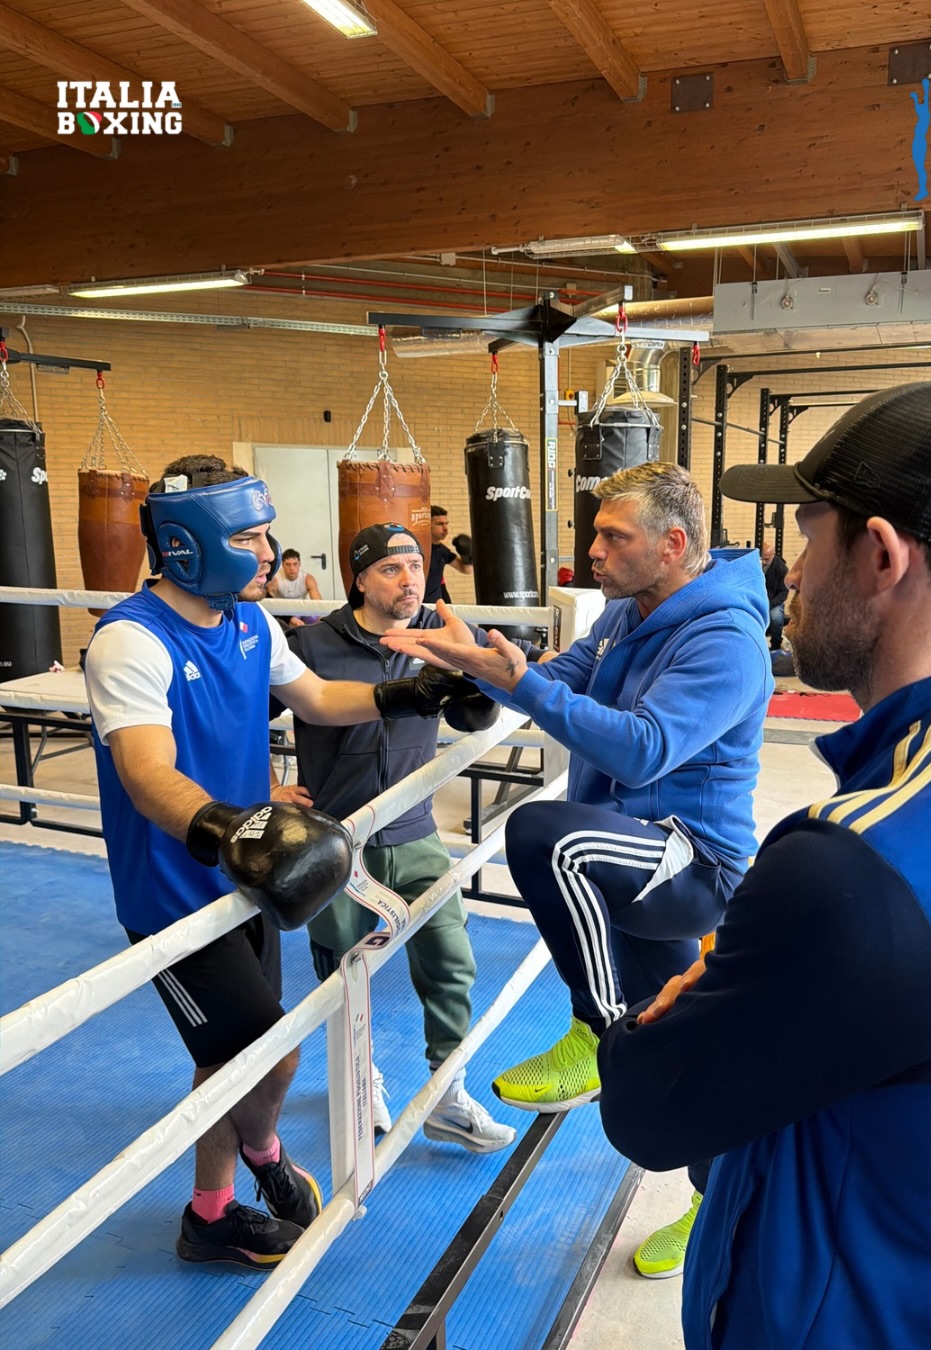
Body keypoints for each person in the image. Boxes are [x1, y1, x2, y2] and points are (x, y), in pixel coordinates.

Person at [596, 381, 931, 1350]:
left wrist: (692, 997)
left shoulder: (855, 866)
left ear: (882, 554)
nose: (791, 575)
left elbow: (648, 1109)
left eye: (810, 534)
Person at [83, 456, 503, 1273]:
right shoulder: (130, 639)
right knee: (272, 1053)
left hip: (245, 881)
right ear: (187, 543)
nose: (267, 550)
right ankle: (268, 1155)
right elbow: (145, 771)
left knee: (222, 1060)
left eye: (266, 531)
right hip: (173, 895)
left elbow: (313, 697)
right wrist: (229, 825)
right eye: (249, 535)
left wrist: (408, 695)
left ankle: (209, 1215)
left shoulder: (250, 623)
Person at [382, 461, 773, 1278]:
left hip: (688, 861)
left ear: (673, 544)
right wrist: (492, 666)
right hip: (623, 862)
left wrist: (524, 683)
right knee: (681, 1046)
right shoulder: (629, 610)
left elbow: (643, 747)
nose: (591, 549)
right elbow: (567, 678)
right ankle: (707, 1199)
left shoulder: (725, 638)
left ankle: (596, 1034)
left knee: (543, 835)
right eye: (595, 532)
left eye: (611, 536)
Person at [283, 522, 536, 1154]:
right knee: (345, 976)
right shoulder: (311, 645)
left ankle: (448, 1093)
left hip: (417, 832)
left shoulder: (440, 635)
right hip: (337, 839)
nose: (409, 578)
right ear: (360, 578)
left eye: (415, 566)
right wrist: (259, 787)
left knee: (452, 963)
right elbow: (235, 714)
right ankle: (358, 1077)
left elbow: (507, 676)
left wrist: (486, 672)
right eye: (391, 568)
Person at [424, 506, 472, 604]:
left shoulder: (443, 551)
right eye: (440, 524)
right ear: (427, 525)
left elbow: (466, 570)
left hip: (438, 599)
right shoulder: (417, 548)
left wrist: (467, 555)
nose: (445, 529)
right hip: (420, 600)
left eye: (446, 524)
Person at [266, 547, 322, 626]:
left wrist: (320, 620)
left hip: (302, 609)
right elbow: (270, 604)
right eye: (288, 564)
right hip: (284, 612)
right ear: (282, 565)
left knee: (314, 617)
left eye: (295, 564)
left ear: (300, 564)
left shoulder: (308, 579)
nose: (291, 568)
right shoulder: (275, 580)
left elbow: (318, 603)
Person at [759, 539, 788, 649]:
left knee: (775, 618)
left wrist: (770, 604)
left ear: (773, 555)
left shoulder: (781, 569)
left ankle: (776, 645)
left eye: (767, 559)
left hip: (773, 602)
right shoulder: (757, 566)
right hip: (759, 599)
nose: (764, 562)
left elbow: (783, 593)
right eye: (763, 558)